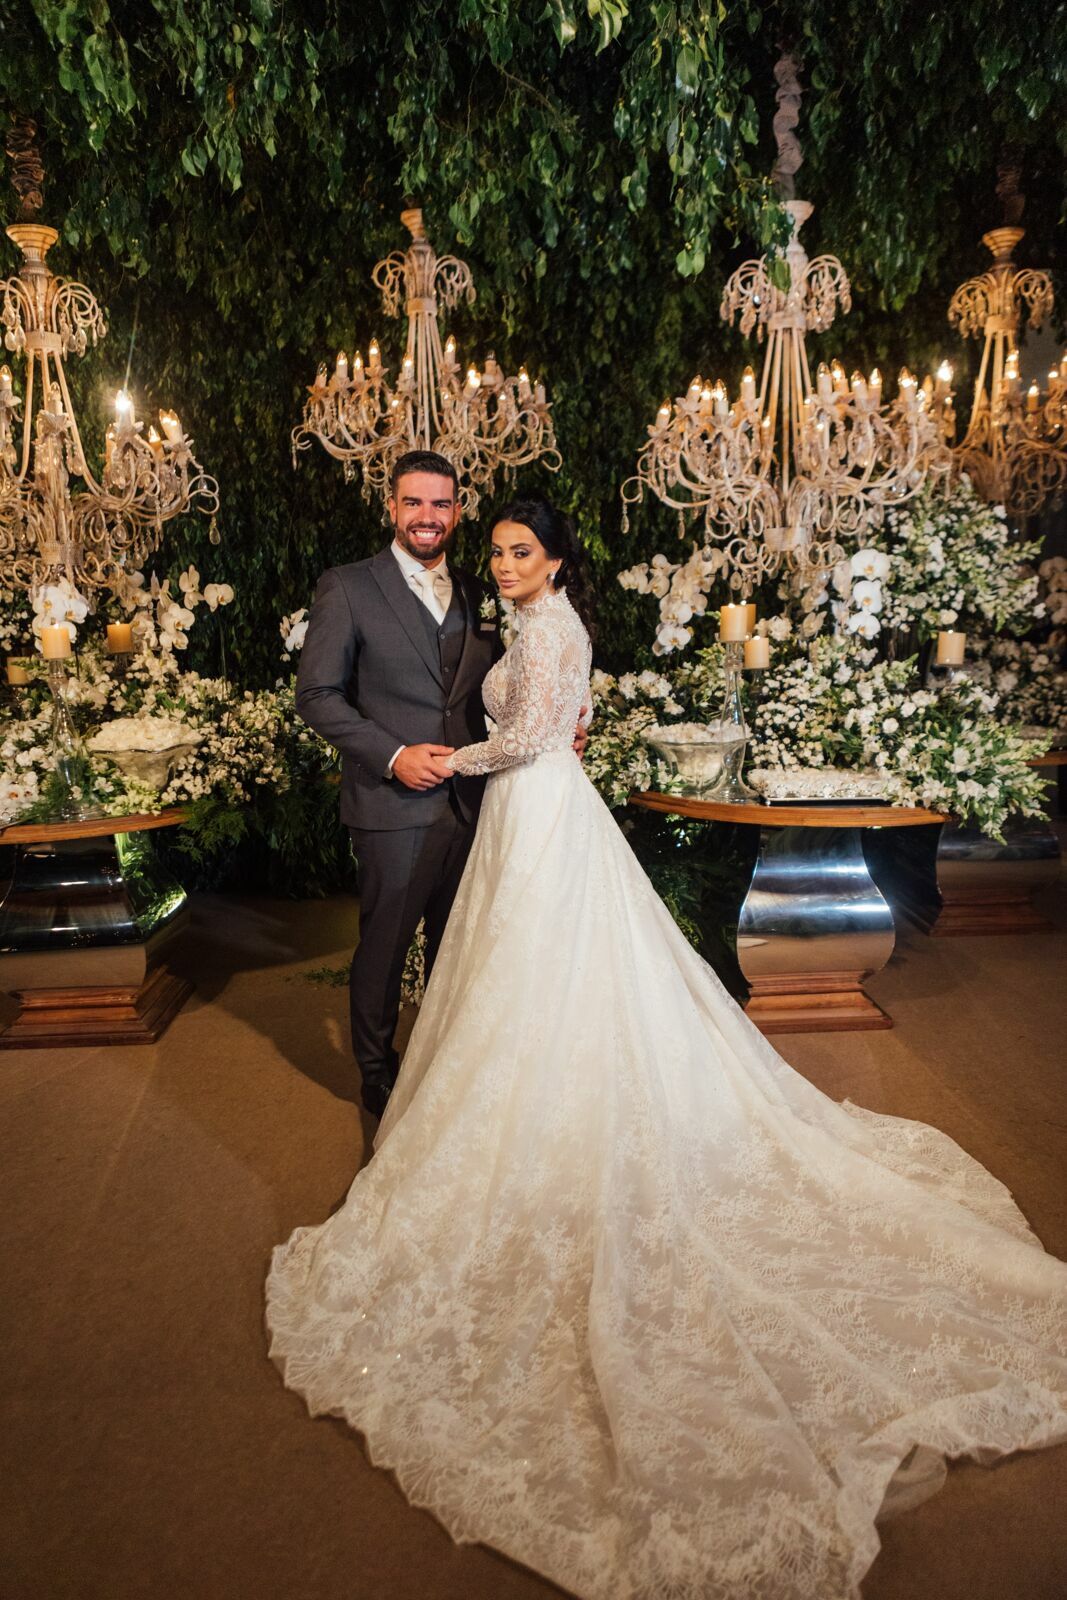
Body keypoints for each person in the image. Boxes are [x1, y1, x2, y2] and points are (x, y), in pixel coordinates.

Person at [269, 496, 1067, 1600]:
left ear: (556, 561)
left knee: (544, 969)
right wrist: (511, 739)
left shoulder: (551, 625)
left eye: (519, 551)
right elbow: (554, 715)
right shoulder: (524, 623)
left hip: (533, 805)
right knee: (515, 971)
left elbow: (533, 736)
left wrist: (454, 757)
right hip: (524, 813)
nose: (502, 564)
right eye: (495, 550)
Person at [295, 452, 586, 1118]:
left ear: (457, 510)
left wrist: (566, 722)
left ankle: (444, 1064)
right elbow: (316, 696)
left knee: (462, 947)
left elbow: (528, 674)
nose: (427, 516)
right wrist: (393, 754)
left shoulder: (489, 588)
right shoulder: (348, 586)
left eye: (441, 504)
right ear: (391, 508)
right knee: (385, 945)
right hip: (392, 804)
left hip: (480, 803)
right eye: (414, 502)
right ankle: (377, 1071)